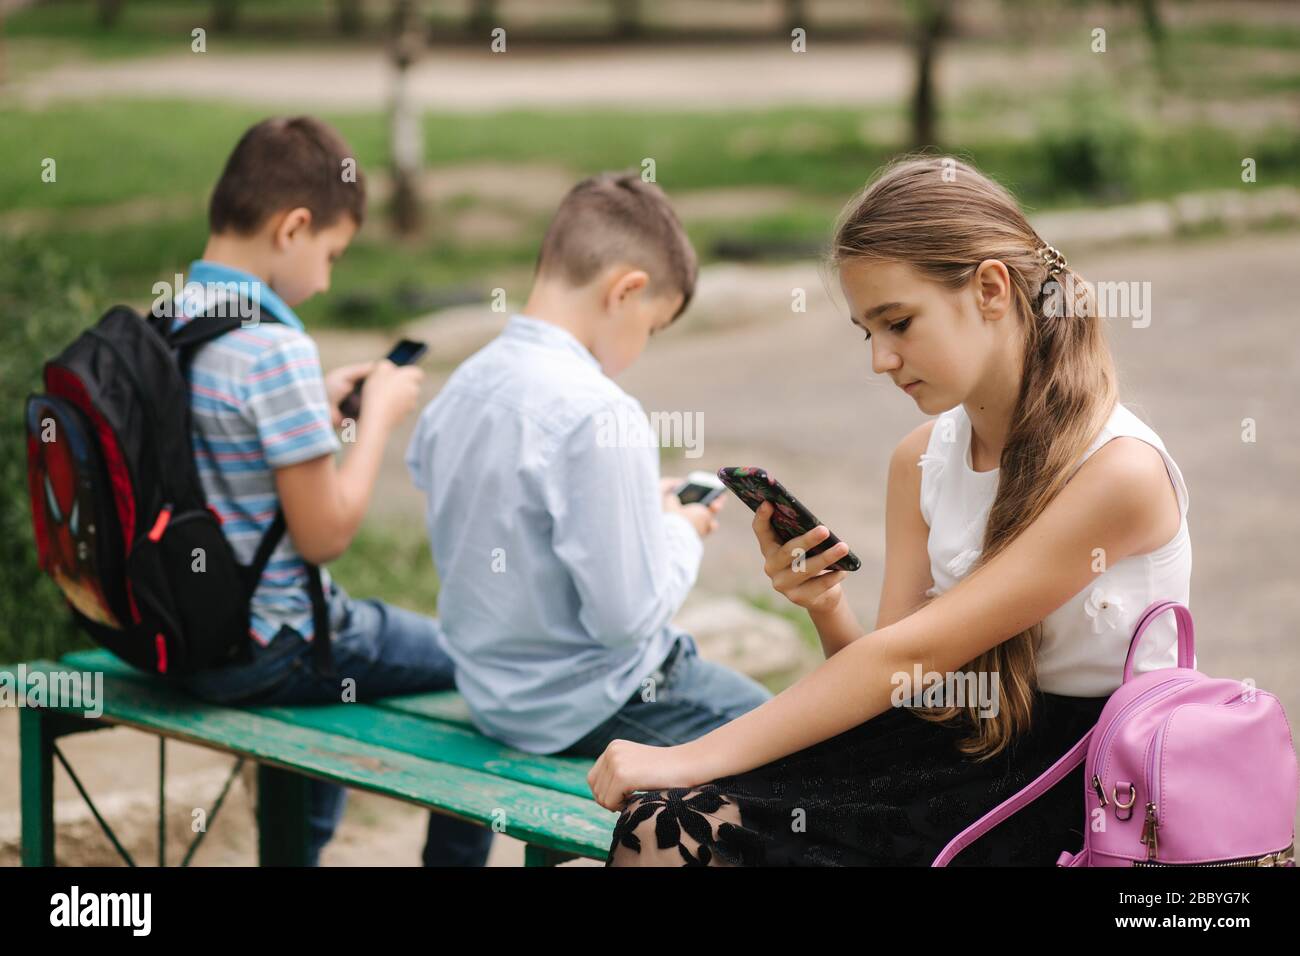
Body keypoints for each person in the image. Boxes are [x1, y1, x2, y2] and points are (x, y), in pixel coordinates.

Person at [591, 154, 1192, 866]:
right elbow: (901, 686)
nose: (880, 358)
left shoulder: (1120, 472)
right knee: (666, 821)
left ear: (992, 289)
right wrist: (825, 603)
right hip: (949, 753)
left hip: (1076, 793)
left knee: (671, 824)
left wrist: (684, 757)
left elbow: (910, 654)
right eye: (866, 332)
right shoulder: (920, 459)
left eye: (898, 322)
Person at [403, 174, 774, 848]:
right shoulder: (600, 412)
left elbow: (492, 507)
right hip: (587, 705)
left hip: (490, 693)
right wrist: (679, 530)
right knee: (782, 737)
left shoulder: (463, 385)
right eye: (653, 327)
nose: (645, 345)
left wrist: (632, 506)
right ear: (626, 291)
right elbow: (623, 620)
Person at [174, 116, 493, 867]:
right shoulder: (276, 347)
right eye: (331, 254)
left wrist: (315, 404)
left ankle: (298, 852)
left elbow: (219, 447)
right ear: (293, 228)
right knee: (486, 663)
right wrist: (375, 420)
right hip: (271, 646)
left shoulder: (176, 318)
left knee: (334, 661)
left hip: (181, 635)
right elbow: (324, 536)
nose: (325, 280)